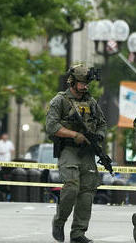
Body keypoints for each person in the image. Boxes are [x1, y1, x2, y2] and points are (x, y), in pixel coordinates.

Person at [46, 64, 107, 243]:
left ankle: (78, 232)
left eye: (87, 83)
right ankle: (59, 222)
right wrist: (75, 135)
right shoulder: (60, 100)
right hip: (69, 149)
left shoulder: (91, 102)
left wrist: (99, 136)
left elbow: (102, 123)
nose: (85, 86)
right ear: (72, 82)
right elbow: (51, 127)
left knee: (87, 191)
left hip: (87, 152)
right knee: (71, 187)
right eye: (82, 83)